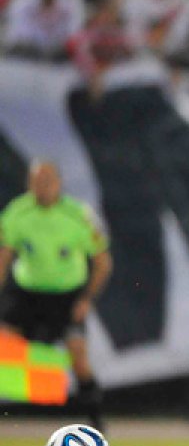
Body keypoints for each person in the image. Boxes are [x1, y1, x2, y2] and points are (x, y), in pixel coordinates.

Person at [0, 161, 112, 430]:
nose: (43, 186)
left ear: (59, 184)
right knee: (3, 345)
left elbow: (103, 263)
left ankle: (97, 423)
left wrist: (86, 299)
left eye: (48, 180)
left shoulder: (79, 215)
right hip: (27, 291)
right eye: (37, 181)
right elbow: (3, 257)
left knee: (78, 356)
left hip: (66, 295)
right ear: (29, 183)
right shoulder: (16, 213)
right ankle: (20, 404)